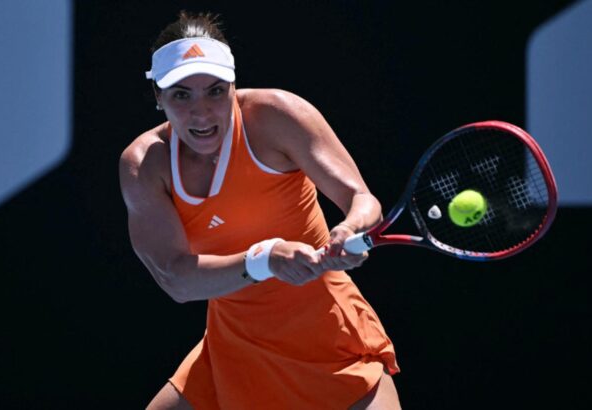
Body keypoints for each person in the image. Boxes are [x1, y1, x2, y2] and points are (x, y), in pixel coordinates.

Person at [119, 11, 401, 410]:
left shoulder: (276, 117)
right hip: (231, 349)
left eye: (215, 91)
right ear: (158, 97)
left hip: (332, 341)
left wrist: (351, 227)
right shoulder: (145, 164)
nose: (202, 112)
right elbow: (177, 280)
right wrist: (265, 259)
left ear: (233, 86)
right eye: (182, 95)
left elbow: (362, 199)